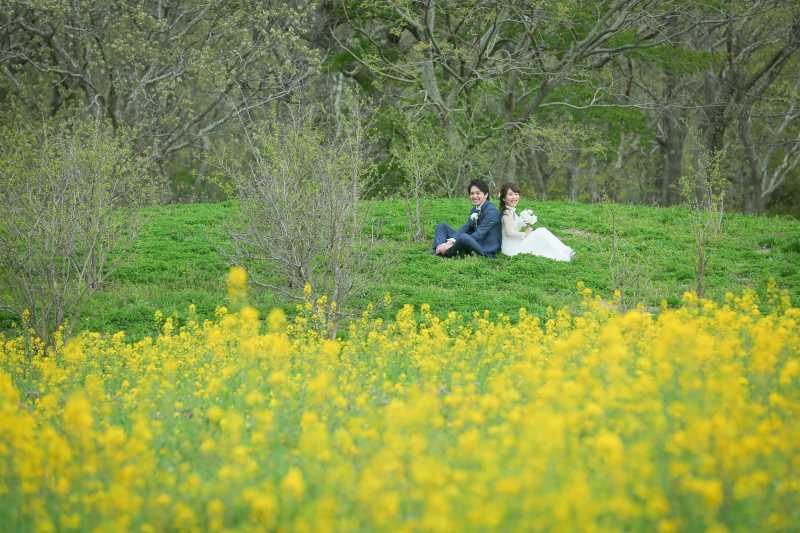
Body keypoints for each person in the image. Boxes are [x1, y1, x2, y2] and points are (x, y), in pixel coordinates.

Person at [499, 183, 575, 261]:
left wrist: (529, 222)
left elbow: (519, 226)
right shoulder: (507, 213)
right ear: (504, 198)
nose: (514, 197)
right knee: (541, 231)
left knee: (541, 234)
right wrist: (525, 234)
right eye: (510, 195)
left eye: (516, 194)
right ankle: (565, 253)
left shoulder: (512, 212)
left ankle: (564, 251)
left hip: (516, 243)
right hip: (512, 248)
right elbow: (509, 233)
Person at [433, 179, 502, 258]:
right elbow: (466, 227)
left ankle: (445, 252)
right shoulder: (475, 209)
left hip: (485, 247)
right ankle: (441, 248)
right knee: (442, 226)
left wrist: (454, 242)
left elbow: (479, 234)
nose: (474, 196)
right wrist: (452, 240)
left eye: (478, 193)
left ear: (486, 195)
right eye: (472, 193)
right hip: (474, 241)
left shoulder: (491, 212)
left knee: (463, 237)